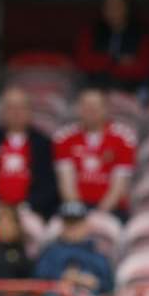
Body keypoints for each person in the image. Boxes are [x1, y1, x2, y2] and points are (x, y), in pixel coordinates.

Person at [0, 85, 57, 217]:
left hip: (30, 210)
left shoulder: (43, 143)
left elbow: (49, 184)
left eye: (21, 108)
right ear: (2, 112)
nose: (16, 113)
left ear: (30, 111)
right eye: (11, 108)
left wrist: (27, 205)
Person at [52, 88, 137, 219]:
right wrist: (79, 212)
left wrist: (98, 216)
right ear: (78, 108)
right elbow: (66, 184)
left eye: (95, 107)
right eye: (86, 106)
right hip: (74, 208)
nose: (90, 111)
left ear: (106, 109)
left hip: (112, 209)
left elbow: (119, 187)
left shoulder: (124, 138)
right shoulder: (64, 138)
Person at [74, 0, 149, 93]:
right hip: (95, 88)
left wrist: (103, 64)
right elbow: (84, 62)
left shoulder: (142, 33)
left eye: (118, 4)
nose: (113, 9)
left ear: (127, 6)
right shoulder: (90, 32)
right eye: (108, 4)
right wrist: (115, 60)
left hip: (130, 90)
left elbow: (144, 69)